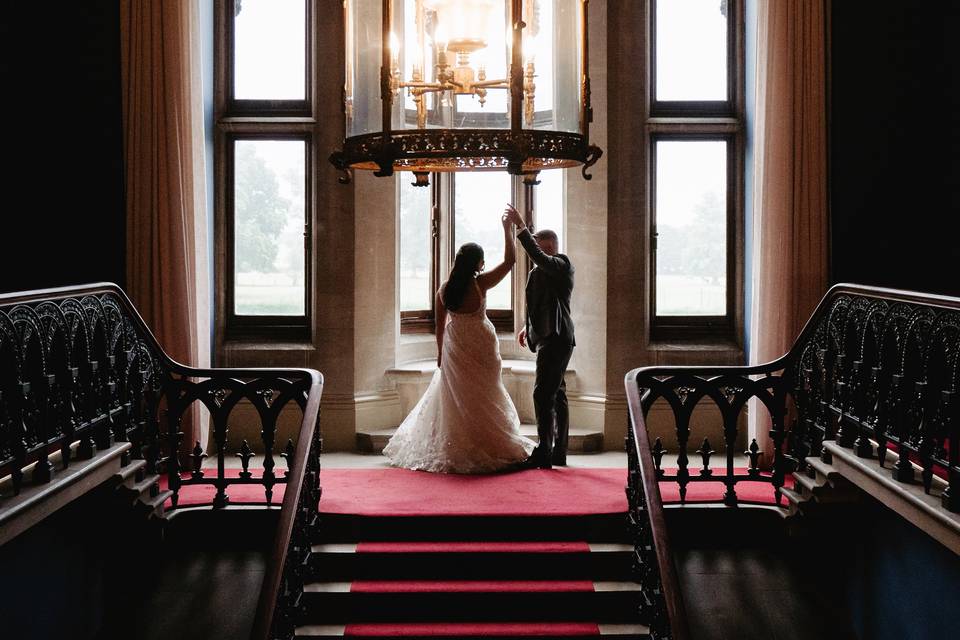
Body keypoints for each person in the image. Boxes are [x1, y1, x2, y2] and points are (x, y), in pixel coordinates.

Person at [383, 211, 535, 473]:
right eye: (482, 261)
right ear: (477, 264)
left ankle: (463, 438)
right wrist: (506, 229)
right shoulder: (481, 283)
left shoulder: (444, 289)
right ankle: (484, 439)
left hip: (456, 346)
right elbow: (510, 261)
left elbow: (439, 327)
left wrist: (441, 354)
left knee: (458, 395)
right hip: (482, 343)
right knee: (486, 392)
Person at [505, 204, 575, 469]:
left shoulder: (561, 264)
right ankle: (558, 452)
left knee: (541, 394)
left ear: (549, 247)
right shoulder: (542, 271)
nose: (534, 253)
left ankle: (545, 452)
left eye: (538, 247)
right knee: (557, 393)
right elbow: (539, 303)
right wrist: (527, 326)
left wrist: (522, 226)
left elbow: (539, 258)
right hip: (550, 336)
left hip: (557, 339)